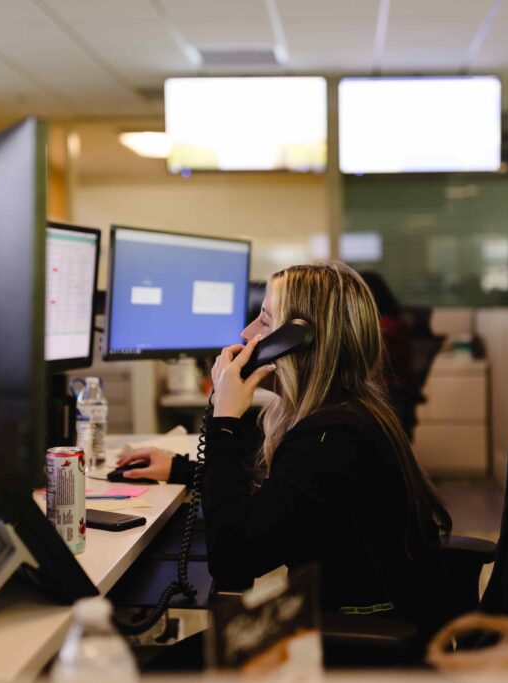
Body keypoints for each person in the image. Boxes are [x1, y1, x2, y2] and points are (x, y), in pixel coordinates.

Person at [117, 261, 452, 660]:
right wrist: (182, 469)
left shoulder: (332, 439)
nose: (245, 335)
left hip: (360, 645)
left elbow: (234, 556)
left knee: (146, 668)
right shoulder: (347, 414)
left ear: (298, 340)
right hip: (359, 623)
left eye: (263, 320)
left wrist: (225, 419)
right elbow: (281, 498)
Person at [358, 270, 420, 439]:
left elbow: (373, 365)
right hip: (393, 393)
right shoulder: (393, 321)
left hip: (388, 396)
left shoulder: (385, 328)